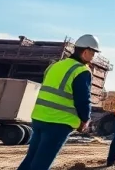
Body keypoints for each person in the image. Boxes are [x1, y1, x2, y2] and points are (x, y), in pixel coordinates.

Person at [17, 34, 100, 170]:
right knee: (41, 164)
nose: (93, 57)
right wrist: (85, 119)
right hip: (58, 122)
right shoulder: (81, 71)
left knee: (30, 159)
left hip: (39, 117)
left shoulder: (54, 66)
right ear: (86, 51)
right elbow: (83, 99)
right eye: (93, 53)